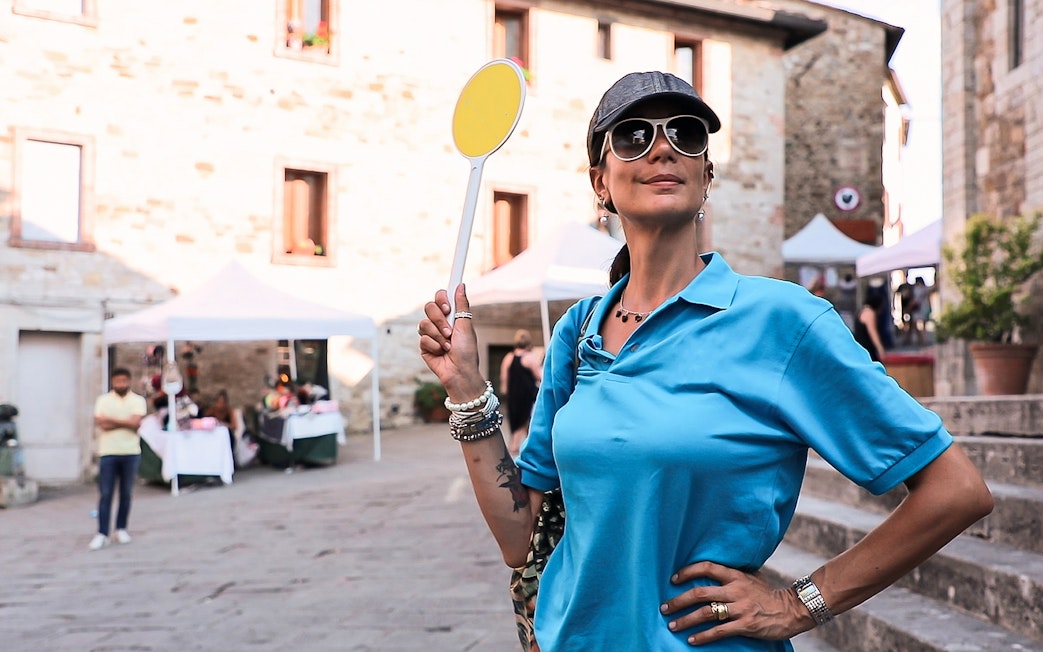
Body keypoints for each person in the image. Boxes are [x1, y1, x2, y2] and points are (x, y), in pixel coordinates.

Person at [417, 71, 993, 651]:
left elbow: (955, 489)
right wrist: (467, 390)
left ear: (706, 175)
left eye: (686, 134)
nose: (663, 146)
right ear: (601, 182)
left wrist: (801, 603)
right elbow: (521, 538)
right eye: (634, 135)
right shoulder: (577, 332)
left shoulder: (782, 322)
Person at [90, 367, 148, 551]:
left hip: (130, 452)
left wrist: (113, 420)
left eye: (124, 381)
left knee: (126, 493)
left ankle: (121, 528)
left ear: (129, 381)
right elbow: (102, 424)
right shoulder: (103, 400)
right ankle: (102, 532)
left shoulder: (138, 400)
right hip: (108, 452)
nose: (121, 384)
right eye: (117, 381)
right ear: (113, 382)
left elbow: (135, 423)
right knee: (106, 493)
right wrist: (126, 422)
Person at [500, 329, 543, 457]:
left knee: (516, 421)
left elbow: (504, 378)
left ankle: (518, 445)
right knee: (525, 420)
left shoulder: (508, 357)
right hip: (527, 395)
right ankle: (517, 446)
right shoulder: (529, 358)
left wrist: (505, 393)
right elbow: (539, 377)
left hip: (513, 395)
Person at [854, 291, 886, 362]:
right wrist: (880, 348)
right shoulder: (869, 313)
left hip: (861, 347)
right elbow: (873, 332)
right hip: (867, 348)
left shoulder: (862, 311)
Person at [910, 276, 932, 346]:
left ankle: (922, 339)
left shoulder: (918, 289)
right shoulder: (920, 289)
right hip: (921, 307)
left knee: (921, 324)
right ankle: (922, 338)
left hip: (921, 307)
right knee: (920, 324)